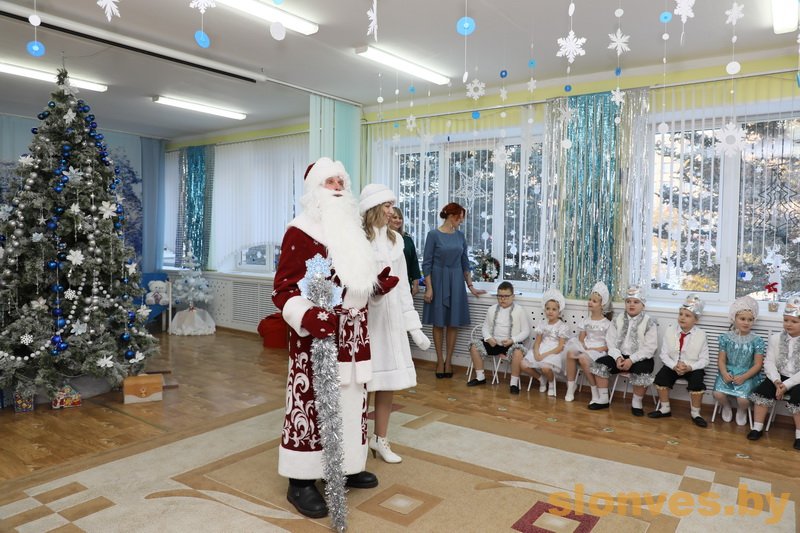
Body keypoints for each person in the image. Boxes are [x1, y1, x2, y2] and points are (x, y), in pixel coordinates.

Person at [272, 157, 396, 518]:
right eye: (331, 182)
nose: (339, 187)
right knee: (313, 405)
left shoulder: (351, 230)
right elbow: (284, 289)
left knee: (353, 401)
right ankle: (300, 480)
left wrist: (374, 286)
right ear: (315, 190)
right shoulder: (300, 231)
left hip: (354, 338)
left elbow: (350, 281)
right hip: (317, 338)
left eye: (342, 181)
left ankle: (346, 465)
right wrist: (307, 315)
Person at [359, 184, 431, 464]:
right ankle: (356, 441)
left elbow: (402, 288)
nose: (392, 211)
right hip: (367, 322)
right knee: (363, 384)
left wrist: (414, 327)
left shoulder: (396, 242)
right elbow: (351, 282)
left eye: (392, 206)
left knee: (387, 383)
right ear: (374, 208)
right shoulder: (358, 240)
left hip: (391, 325)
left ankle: (381, 439)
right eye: (387, 206)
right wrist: (374, 289)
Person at [422, 202, 486, 378]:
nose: (461, 221)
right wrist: (429, 288)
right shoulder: (433, 235)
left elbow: (465, 263)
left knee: (453, 322)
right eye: (460, 218)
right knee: (438, 323)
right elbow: (426, 264)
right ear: (451, 216)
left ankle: (449, 361)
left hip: (456, 281)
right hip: (438, 280)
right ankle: (439, 361)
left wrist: (471, 286)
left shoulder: (460, 236)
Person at [589, 286, 657, 416]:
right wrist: (617, 357)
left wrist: (631, 360)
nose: (631, 304)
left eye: (636, 302)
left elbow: (650, 348)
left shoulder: (649, 322)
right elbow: (610, 341)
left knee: (642, 371)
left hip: (641, 358)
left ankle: (637, 403)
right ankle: (603, 399)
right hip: (619, 355)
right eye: (628, 301)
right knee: (600, 364)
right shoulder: (617, 319)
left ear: (643, 305)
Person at [647, 294, 710, 427]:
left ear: (696, 320)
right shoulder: (670, 331)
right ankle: (665, 408)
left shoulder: (701, 335)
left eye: (687, 315)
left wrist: (690, 367)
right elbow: (664, 354)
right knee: (661, 377)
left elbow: (705, 360)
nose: (682, 317)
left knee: (697, 381)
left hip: (692, 367)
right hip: (673, 365)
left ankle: (696, 413)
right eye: (681, 314)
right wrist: (674, 366)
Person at [747, 296, 800, 450]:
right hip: (779, 376)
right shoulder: (775, 339)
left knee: (798, 398)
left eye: (794, 321)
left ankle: (799, 435)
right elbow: (769, 362)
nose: (788, 324)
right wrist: (777, 381)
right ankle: (757, 427)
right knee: (763, 391)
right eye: (786, 320)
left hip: (798, 378)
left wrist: (786, 385)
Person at [465, 281, 530, 387]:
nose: (502, 299)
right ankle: (480, 377)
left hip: (510, 344)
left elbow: (526, 331)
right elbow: (485, 327)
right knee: (474, 346)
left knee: (518, 352)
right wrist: (488, 338)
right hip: (494, 343)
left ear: (513, 296)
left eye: (506, 296)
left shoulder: (519, 310)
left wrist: (512, 340)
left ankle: (514, 383)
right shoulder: (492, 309)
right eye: (500, 296)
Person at [712, 296, 765, 426]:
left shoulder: (757, 341)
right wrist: (724, 373)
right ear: (734, 319)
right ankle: (726, 406)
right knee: (717, 394)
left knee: (743, 400)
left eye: (750, 320)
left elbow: (758, 364)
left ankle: (742, 410)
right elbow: (721, 360)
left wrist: (744, 377)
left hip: (748, 374)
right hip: (728, 372)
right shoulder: (725, 338)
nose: (746, 322)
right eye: (742, 319)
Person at [508, 288, 569, 396]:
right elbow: (537, 341)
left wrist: (544, 355)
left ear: (559, 311)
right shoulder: (542, 323)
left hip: (554, 351)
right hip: (541, 348)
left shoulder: (562, 326)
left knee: (545, 368)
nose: (550, 311)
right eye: (548, 308)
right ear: (544, 309)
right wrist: (536, 353)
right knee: (523, 364)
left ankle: (551, 383)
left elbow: (560, 346)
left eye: (554, 309)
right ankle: (541, 379)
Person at [563, 282, 612, 403]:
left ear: (602, 305)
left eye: (594, 301)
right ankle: (571, 387)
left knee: (583, 358)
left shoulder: (607, 324)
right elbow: (581, 340)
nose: (590, 302)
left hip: (599, 351)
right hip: (585, 348)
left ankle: (594, 390)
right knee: (570, 353)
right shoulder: (585, 321)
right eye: (590, 300)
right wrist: (583, 347)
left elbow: (609, 345)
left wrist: (593, 349)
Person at [390, 206, 422, 296]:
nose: (398, 220)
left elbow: (414, 263)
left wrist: (416, 285)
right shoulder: (382, 238)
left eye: (400, 218)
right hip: (387, 282)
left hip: (404, 283)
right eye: (395, 217)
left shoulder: (407, 239)